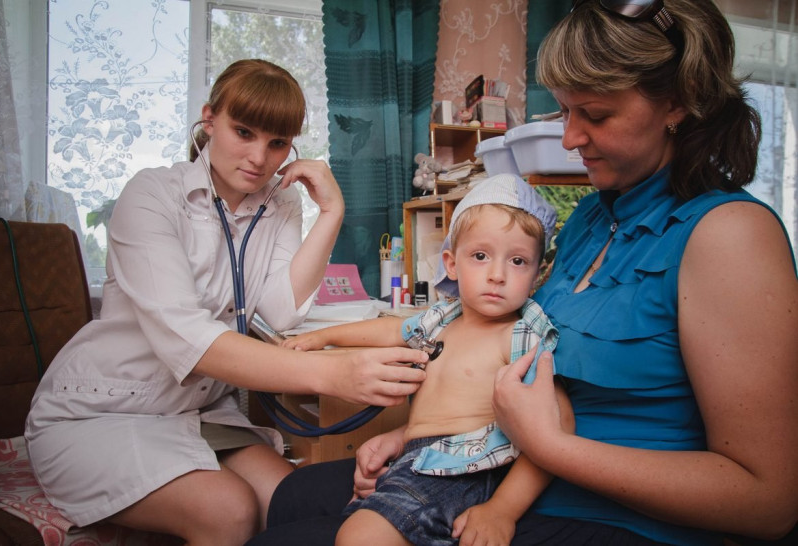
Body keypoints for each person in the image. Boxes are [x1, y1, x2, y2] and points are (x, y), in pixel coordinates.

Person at [248, 1, 798, 544]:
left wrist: (551, 449)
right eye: (564, 112)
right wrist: (418, 438)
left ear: (677, 103)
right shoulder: (590, 218)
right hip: (505, 464)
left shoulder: (729, 235)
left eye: (595, 115)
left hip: (605, 513)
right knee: (291, 497)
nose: (570, 139)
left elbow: (769, 503)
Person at [24, 59, 429, 546]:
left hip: (194, 411)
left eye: (277, 143)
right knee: (228, 511)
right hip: (102, 409)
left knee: (292, 502)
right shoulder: (152, 195)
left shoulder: (279, 203)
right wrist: (334, 373)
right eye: (243, 132)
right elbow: (189, 339)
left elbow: (278, 312)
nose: (259, 157)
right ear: (209, 120)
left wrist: (331, 211)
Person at [281, 174, 573, 546]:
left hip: (463, 472)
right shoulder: (443, 319)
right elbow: (390, 330)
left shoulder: (518, 338)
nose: (497, 275)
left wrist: (502, 510)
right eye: (480, 256)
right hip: (417, 459)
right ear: (451, 263)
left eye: (517, 261)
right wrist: (324, 336)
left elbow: (556, 427)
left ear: (537, 275)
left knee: (360, 537)